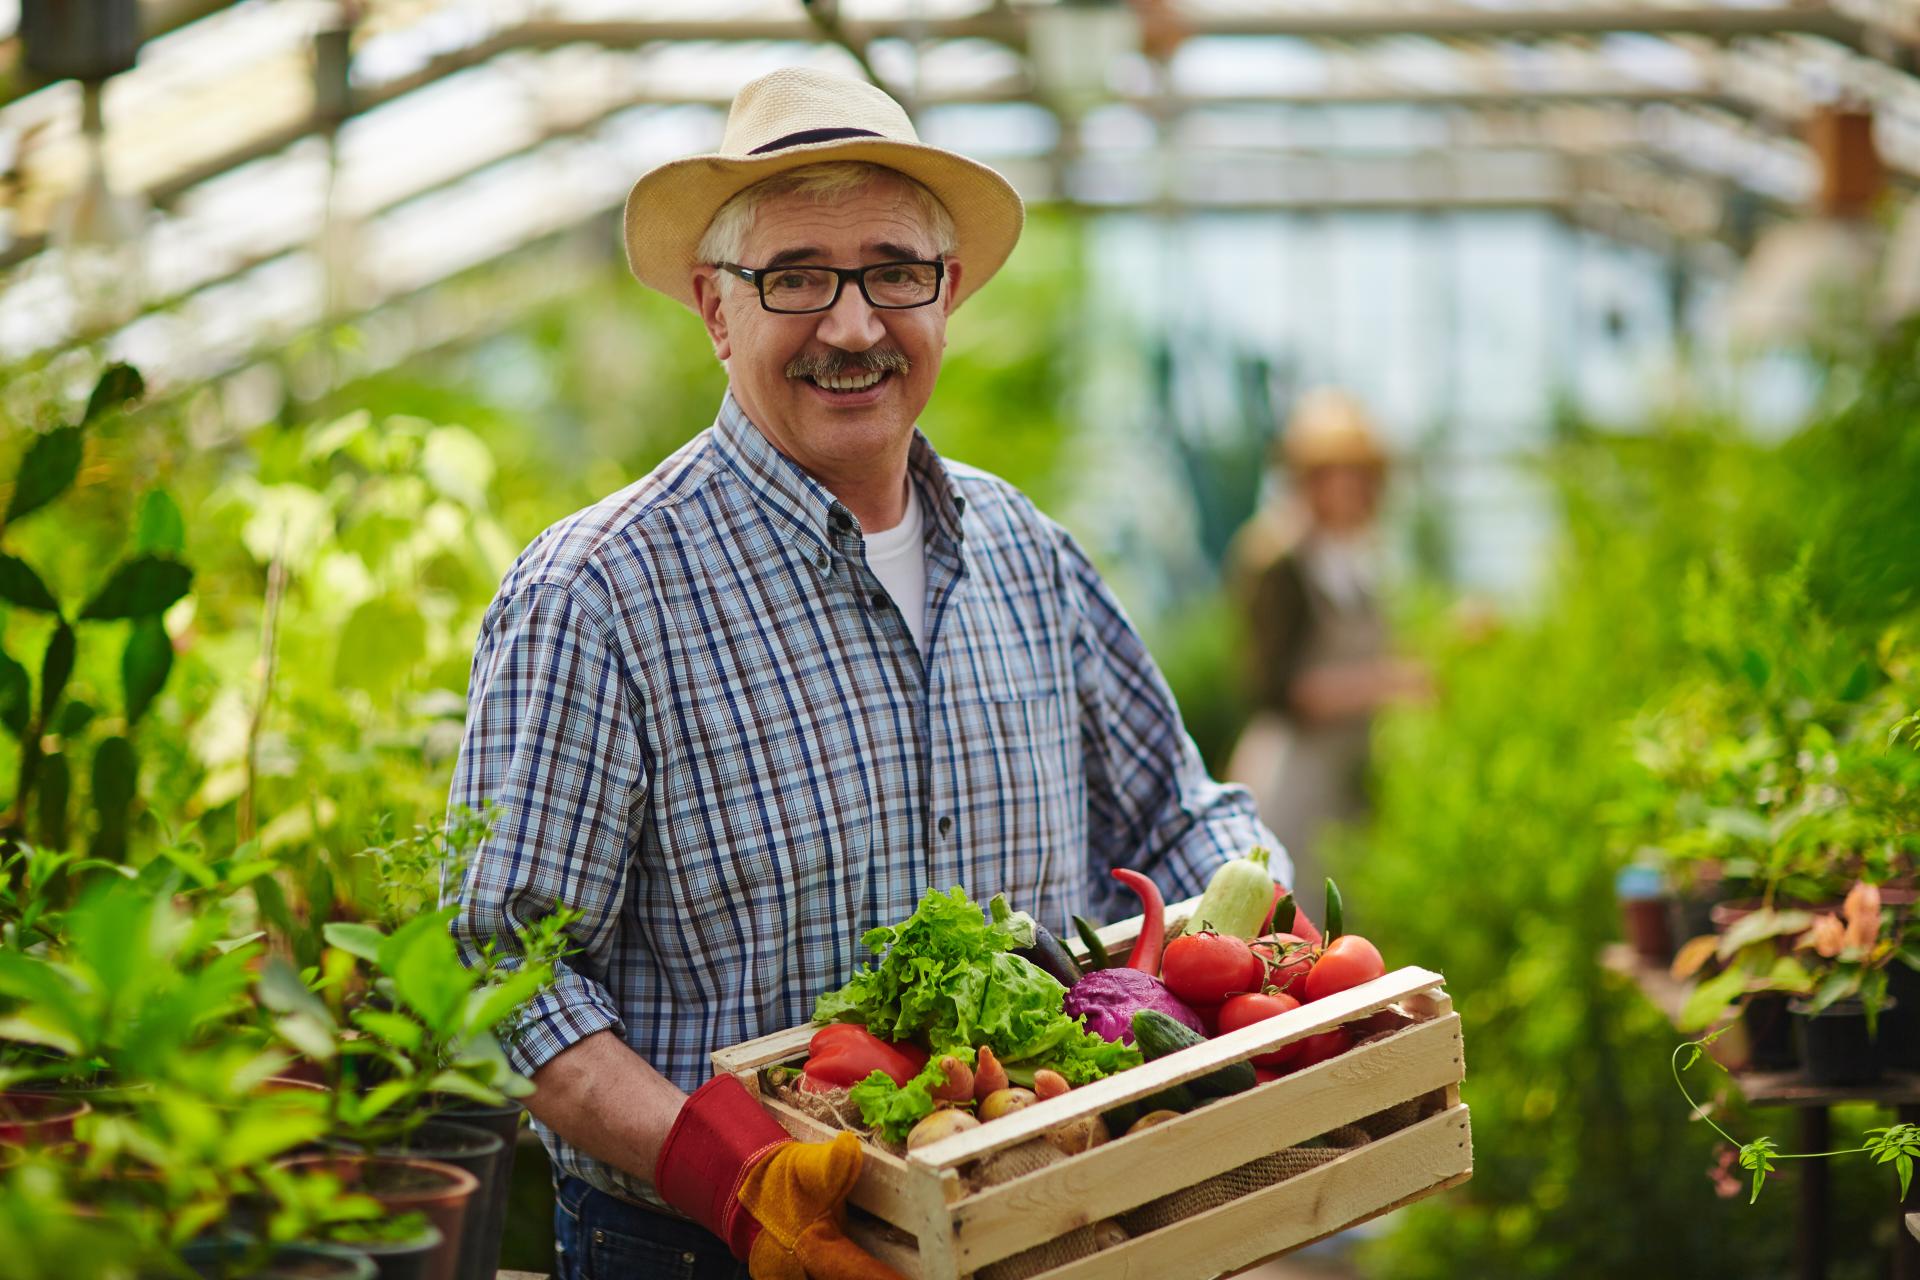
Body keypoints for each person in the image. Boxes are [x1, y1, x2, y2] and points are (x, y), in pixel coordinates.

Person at [446, 67, 1287, 1280]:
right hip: (707, 1252)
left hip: (1046, 1216)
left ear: (948, 292)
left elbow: (1180, 813)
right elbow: (502, 967)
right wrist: (733, 1175)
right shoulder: (598, 595)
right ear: (715, 306)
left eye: (894, 271)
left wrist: (1295, 969)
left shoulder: (1025, 553)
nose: (852, 327)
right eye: (796, 277)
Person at [1226, 388, 1428, 927]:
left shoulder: (1360, 560)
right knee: (1296, 928)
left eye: (1360, 473)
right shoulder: (1277, 560)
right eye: (1334, 472)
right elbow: (1276, 689)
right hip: (1295, 779)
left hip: (1348, 778)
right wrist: (1387, 684)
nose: (1351, 487)